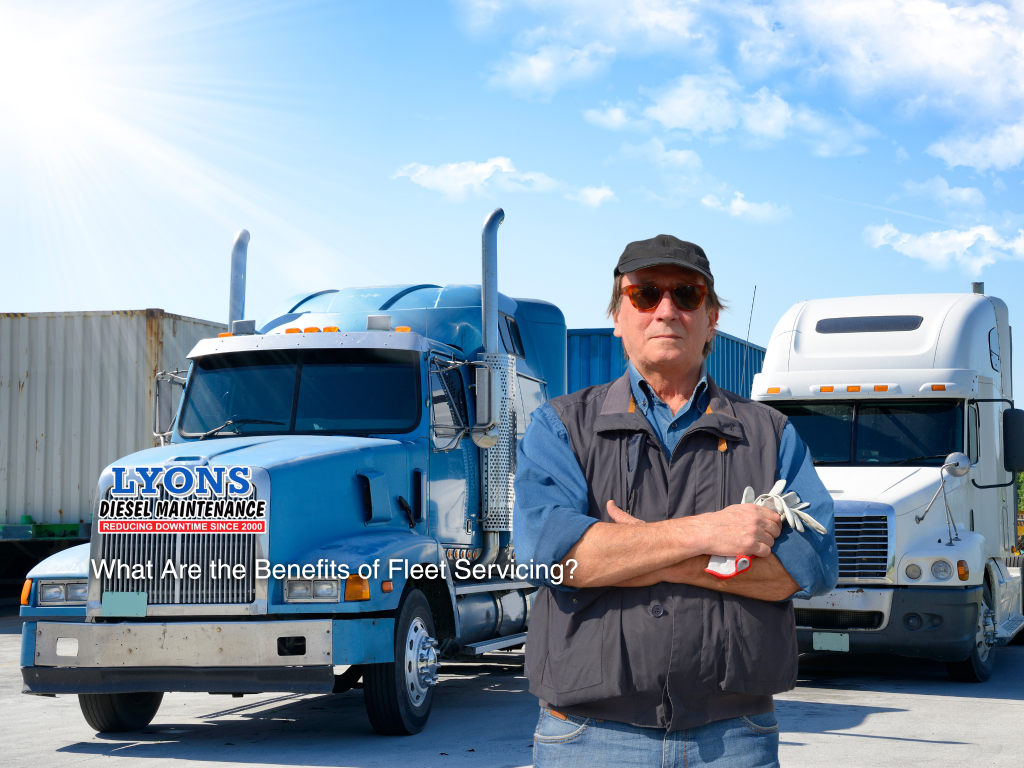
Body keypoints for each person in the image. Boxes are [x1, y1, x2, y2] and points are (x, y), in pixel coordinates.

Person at [513, 235, 838, 767]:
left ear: (711, 318)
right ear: (617, 315)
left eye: (686, 294)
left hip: (735, 738)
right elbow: (554, 555)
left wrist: (633, 551)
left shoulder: (771, 434)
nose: (666, 310)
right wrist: (711, 534)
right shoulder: (560, 426)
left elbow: (811, 566)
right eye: (644, 295)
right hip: (589, 738)